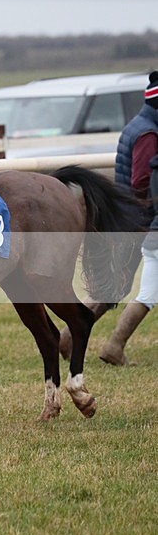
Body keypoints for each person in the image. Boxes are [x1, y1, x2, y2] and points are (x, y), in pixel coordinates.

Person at [99, 71, 158, 365]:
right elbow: (141, 182)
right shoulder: (149, 133)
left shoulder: (139, 124)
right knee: (118, 287)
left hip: (132, 219)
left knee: (119, 286)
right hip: (138, 220)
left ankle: (72, 338)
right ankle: (78, 338)